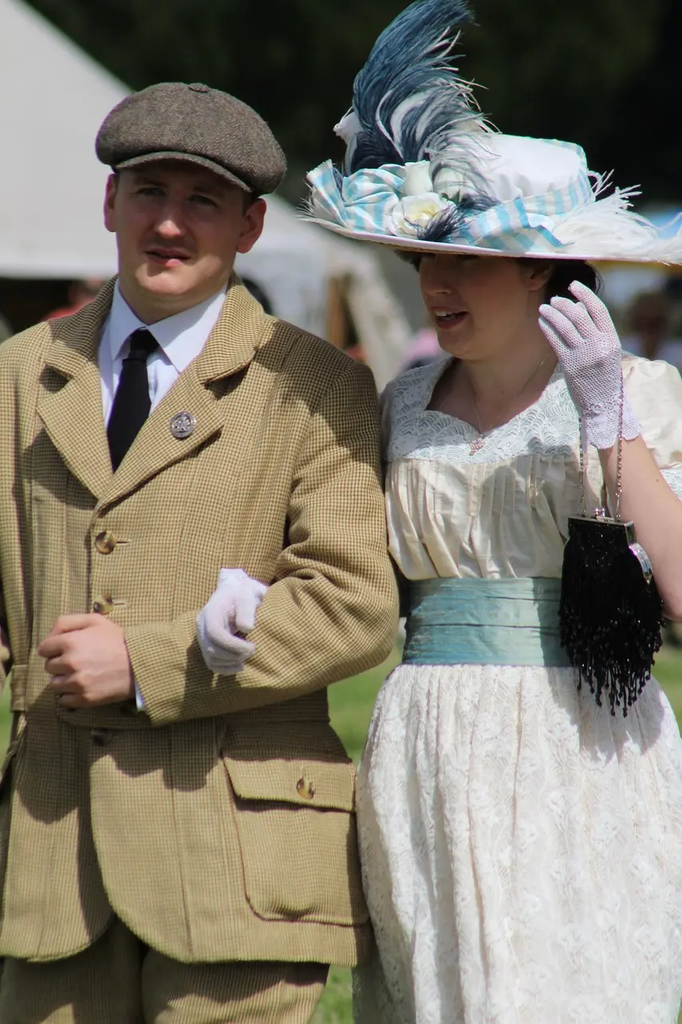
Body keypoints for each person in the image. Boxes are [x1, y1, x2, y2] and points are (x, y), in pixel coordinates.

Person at [304, 0, 682, 1020]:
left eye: (465, 258)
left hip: (582, 747)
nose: (435, 283)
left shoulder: (637, 393)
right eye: (426, 258)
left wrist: (609, 422)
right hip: (428, 743)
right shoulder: (399, 404)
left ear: (539, 265)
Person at [0, 82, 398, 1024]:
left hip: (237, 873)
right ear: (110, 203)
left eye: (203, 201)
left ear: (252, 226)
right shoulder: (17, 374)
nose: (170, 224)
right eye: (149, 192)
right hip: (52, 866)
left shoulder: (319, 385)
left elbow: (353, 603)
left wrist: (147, 662)